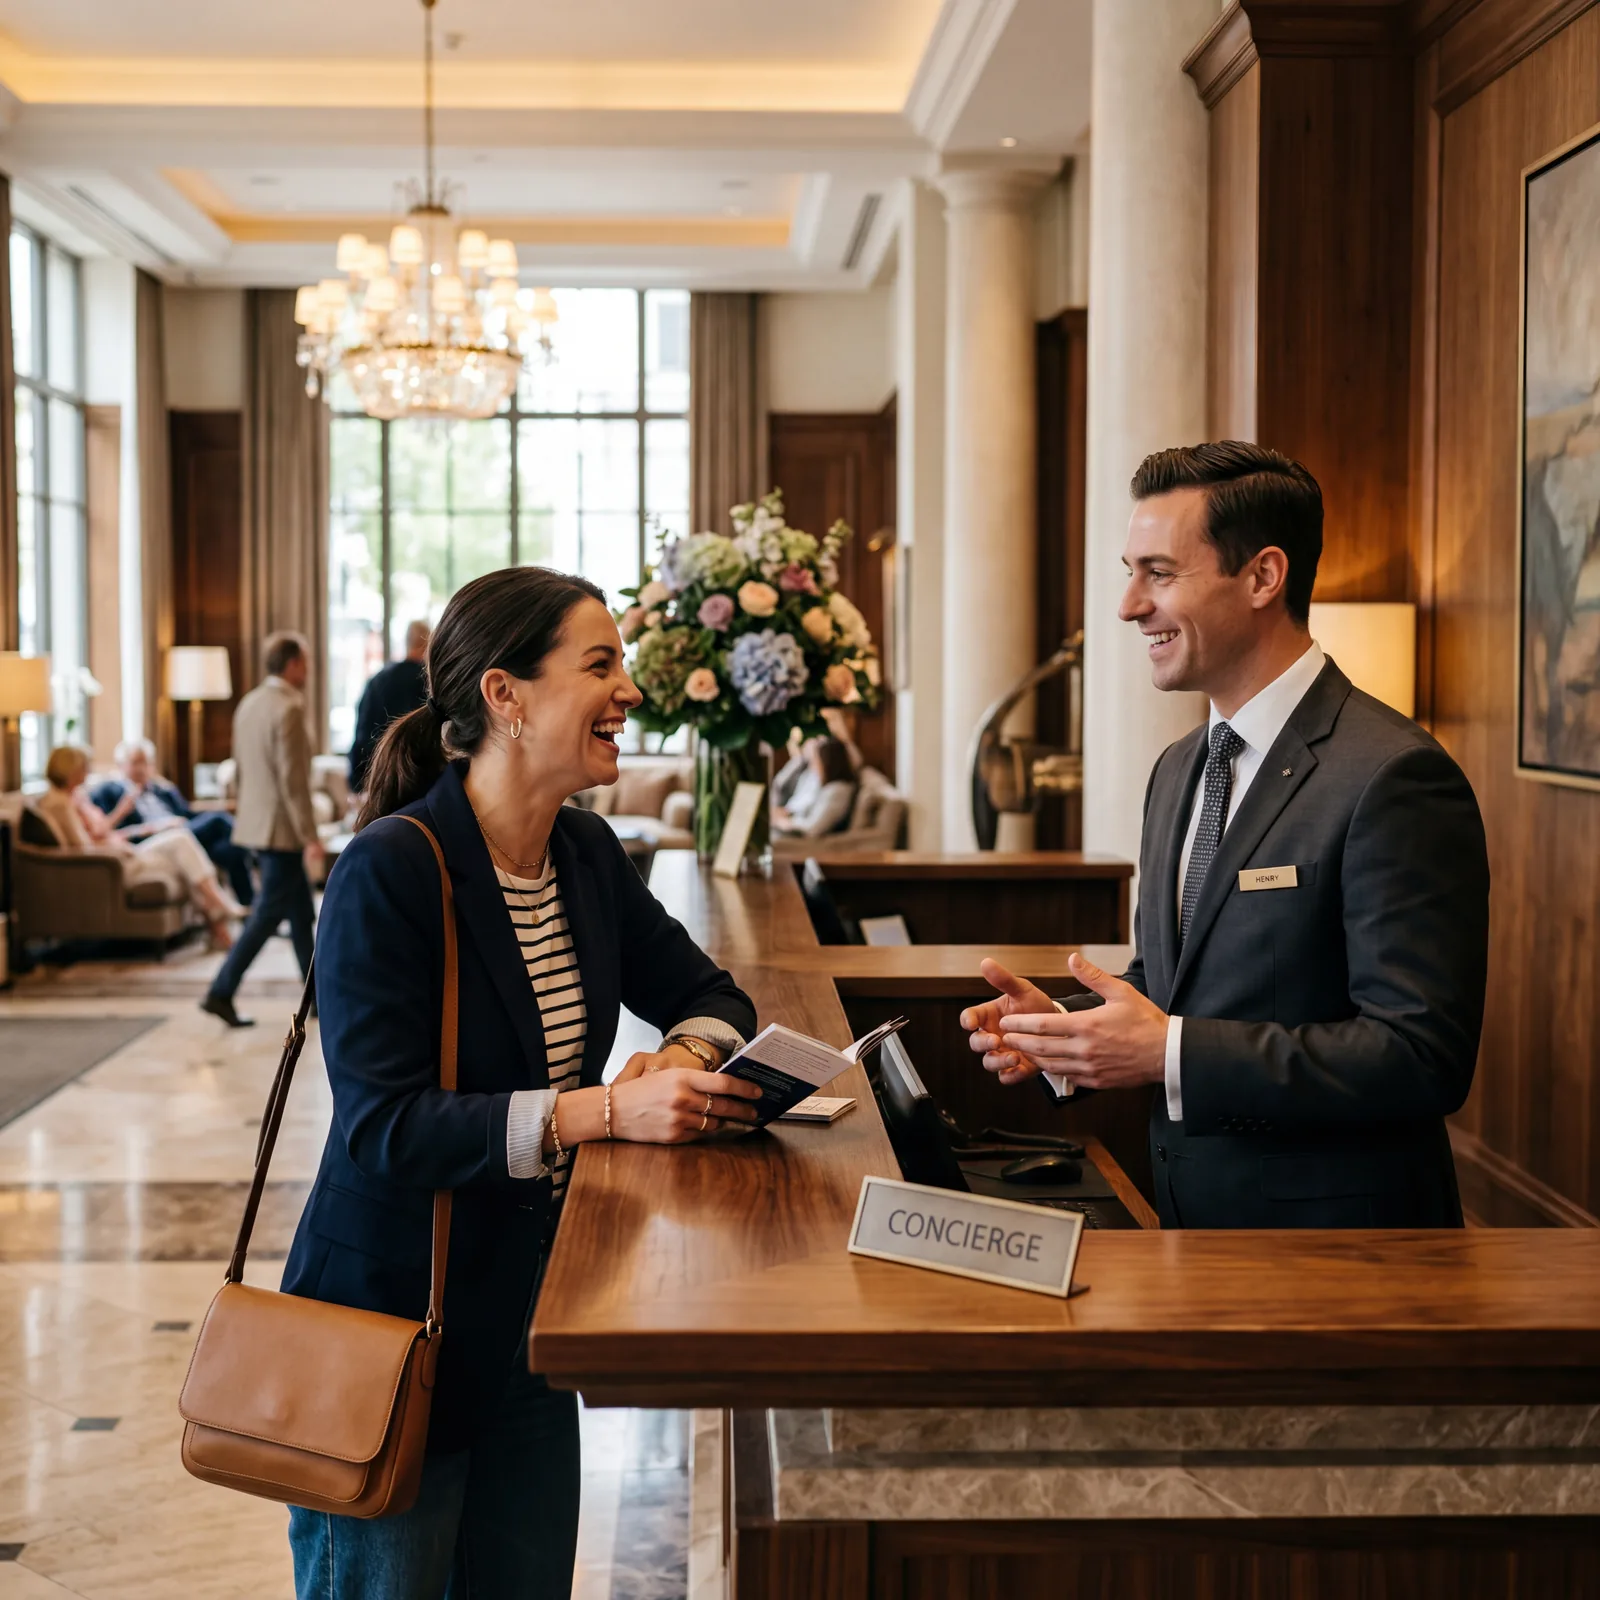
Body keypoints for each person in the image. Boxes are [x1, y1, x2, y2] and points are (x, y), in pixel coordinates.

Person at [281, 566, 762, 1599]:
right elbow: (385, 1127)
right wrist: (602, 1111)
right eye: (601, 664)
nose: (630, 689)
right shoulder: (390, 870)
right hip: (392, 1334)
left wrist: (677, 1062)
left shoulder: (584, 853)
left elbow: (717, 996)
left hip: (530, 1324)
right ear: (505, 695)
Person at [961, 441, 1490, 1229]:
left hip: (1345, 1256)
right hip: (1193, 1227)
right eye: (1129, 571)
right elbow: (1171, 989)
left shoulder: (1395, 776)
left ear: (1263, 578)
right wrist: (1065, 1034)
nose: (1128, 605)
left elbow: (1420, 1059)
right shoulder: (1179, 768)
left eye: (1159, 574)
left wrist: (1167, 1052)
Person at [202, 633, 322, 1028]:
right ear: (290, 665)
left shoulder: (249, 704)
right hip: (281, 830)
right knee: (267, 916)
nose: (307, 670)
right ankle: (220, 990)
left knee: (302, 915)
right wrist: (309, 835)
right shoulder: (287, 708)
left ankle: (318, 999)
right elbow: (293, 781)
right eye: (304, 662)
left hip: (257, 825)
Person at [35, 745, 243, 948]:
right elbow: (83, 846)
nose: (88, 772)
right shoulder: (60, 804)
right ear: (70, 770)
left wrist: (135, 832)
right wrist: (122, 838)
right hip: (115, 861)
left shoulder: (77, 797)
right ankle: (220, 909)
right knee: (182, 840)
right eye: (84, 767)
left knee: (190, 853)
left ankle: (219, 924)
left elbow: (102, 832)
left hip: (123, 847)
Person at [91, 737, 254, 907]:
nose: (141, 769)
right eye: (135, 763)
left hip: (183, 830)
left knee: (231, 850)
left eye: (145, 763)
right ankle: (257, 851)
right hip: (152, 839)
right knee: (218, 818)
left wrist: (179, 821)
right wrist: (134, 815)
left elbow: (187, 814)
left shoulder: (162, 789)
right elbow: (106, 830)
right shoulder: (107, 791)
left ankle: (250, 908)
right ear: (121, 765)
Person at [348, 619, 431, 794]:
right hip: (420, 779)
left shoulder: (378, 681)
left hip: (379, 777)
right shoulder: (431, 684)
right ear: (429, 643)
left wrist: (356, 782)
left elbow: (362, 732)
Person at [772, 736, 858, 838]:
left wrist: (783, 822)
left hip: (798, 838)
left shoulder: (837, 791)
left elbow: (813, 828)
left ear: (827, 763)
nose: (814, 768)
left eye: (816, 762)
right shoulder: (829, 788)